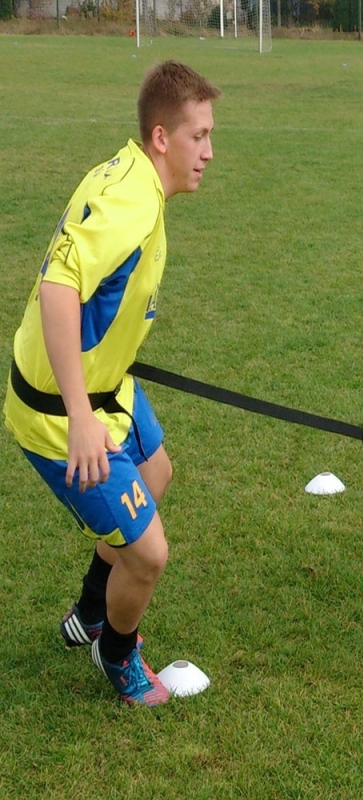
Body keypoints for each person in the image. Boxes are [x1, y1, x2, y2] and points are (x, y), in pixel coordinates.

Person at [4, 61, 220, 707]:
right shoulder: (130, 203)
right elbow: (57, 287)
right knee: (149, 554)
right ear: (161, 137)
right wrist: (77, 419)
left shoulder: (132, 179)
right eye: (199, 136)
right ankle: (117, 654)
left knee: (156, 474)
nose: (210, 152)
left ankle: (91, 611)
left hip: (107, 386)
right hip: (58, 409)